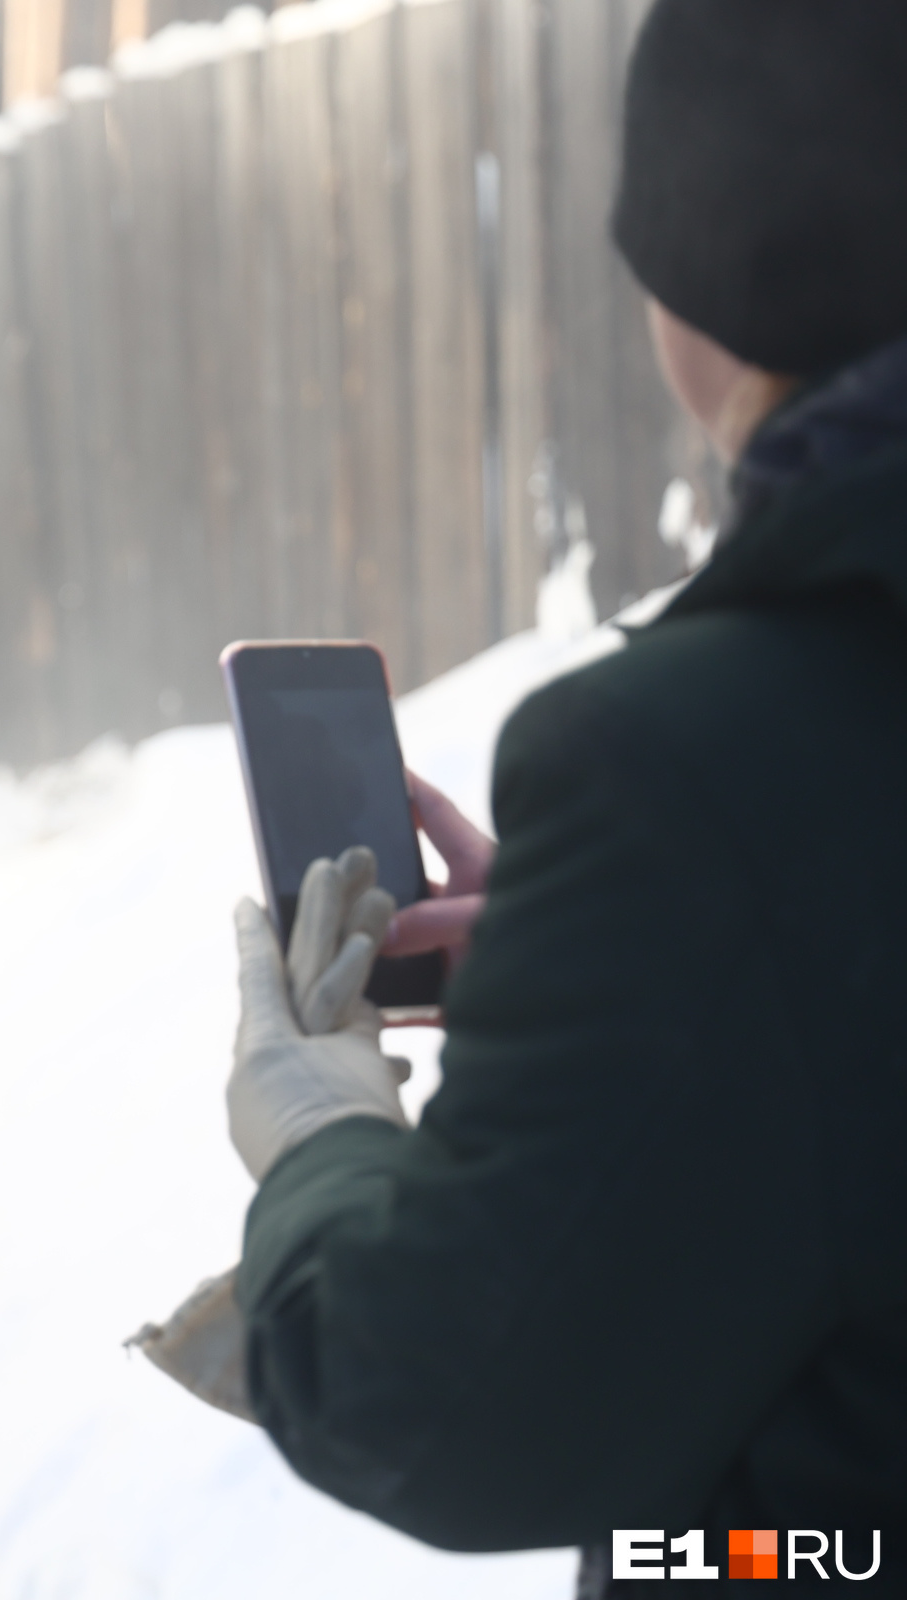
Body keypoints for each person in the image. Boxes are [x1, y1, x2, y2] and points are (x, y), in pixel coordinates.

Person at [216, 1, 907, 1590]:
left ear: (699, 276)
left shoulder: (695, 761)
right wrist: (640, 978)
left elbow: (441, 1400)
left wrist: (323, 1133)